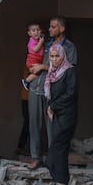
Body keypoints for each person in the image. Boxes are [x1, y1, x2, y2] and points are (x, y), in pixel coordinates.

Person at [27, 16, 77, 170]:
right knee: (34, 125)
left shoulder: (69, 47)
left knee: (53, 127)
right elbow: (33, 57)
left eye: (53, 27)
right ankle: (35, 158)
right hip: (36, 88)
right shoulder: (45, 43)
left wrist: (43, 67)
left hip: (54, 93)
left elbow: (69, 70)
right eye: (49, 26)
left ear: (62, 29)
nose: (49, 29)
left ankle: (52, 160)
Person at [44, 44, 78, 185]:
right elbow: (51, 94)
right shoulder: (52, 73)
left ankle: (61, 180)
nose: (54, 59)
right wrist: (51, 108)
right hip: (57, 115)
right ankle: (60, 179)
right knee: (59, 148)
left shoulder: (70, 71)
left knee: (58, 147)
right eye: (52, 56)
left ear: (63, 56)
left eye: (57, 56)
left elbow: (70, 94)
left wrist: (52, 107)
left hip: (67, 115)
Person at [21, 22, 45, 91]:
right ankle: (27, 81)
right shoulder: (32, 41)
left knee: (39, 72)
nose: (36, 32)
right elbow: (35, 50)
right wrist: (41, 42)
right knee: (39, 73)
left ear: (41, 31)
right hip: (32, 60)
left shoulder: (38, 40)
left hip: (37, 60)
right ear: (29, 33)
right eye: (33, 30)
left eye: (38, 30)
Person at [15, 66, 30, 155]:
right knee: (29, 122)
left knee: (29, 123)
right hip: (27, 98)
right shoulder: (30, 64)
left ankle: (22, 147)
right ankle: (21, 147)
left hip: (27, 97)